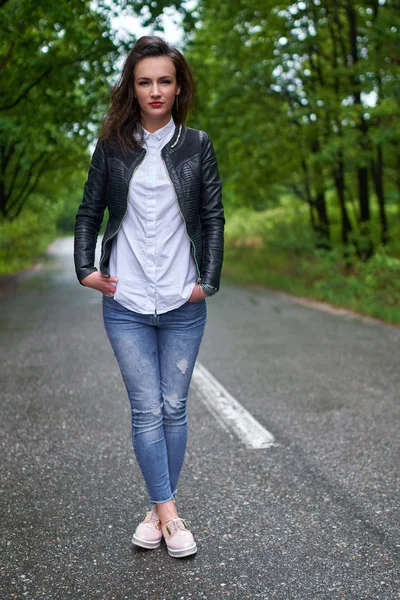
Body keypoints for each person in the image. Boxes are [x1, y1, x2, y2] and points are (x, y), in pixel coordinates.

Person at [74, 36, 224, 558]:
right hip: (127, 301)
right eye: (144, 82)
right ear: (132, 88)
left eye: (164, 80)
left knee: (174, 407)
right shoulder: (112, 146)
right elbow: (89, 212)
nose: (155, 90)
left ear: (178, 86)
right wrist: (84, 269)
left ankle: (156, 510)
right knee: (146, 411)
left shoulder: (198, 145)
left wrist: (209, 279)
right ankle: (170, 515)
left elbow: (212, 216)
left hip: (184, 301)